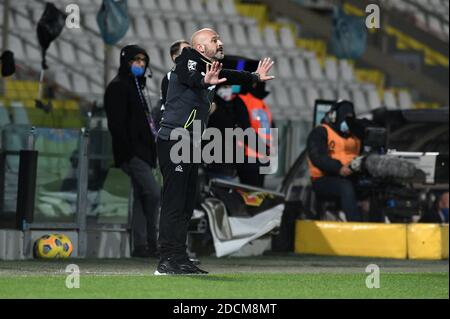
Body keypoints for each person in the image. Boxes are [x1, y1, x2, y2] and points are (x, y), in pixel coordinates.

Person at [155, 28, 275, 275]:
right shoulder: (188, 58)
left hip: (190, 143)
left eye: (219, 39)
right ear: (200, 47)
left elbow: (230, 75)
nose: (220, 43)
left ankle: (179, 257)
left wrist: (254, 76)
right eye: (214, 40)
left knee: (187, 204)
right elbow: (189, 75)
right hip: (175, 139)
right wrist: (203, 82)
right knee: (174, 203)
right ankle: (166, 260)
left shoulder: (210, 67)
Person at [104, 44, 160, 258]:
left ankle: (141, 246)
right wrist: (129, 153)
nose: (140, 64)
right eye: (135, 60)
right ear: (126, 62)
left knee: (141, 197)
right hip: (134, 154)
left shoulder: (137, 86)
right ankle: (152, 242)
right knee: (153, 193)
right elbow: (116, 125)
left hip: (144, 153)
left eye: (143, 60)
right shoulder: (118, 87)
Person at [307, 100, 363, 222]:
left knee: (374, 187)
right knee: (345, 187)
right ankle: (356, 225)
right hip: (323, 179)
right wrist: (339, 168)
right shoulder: (321, 132)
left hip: (350, 176)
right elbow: (318, 157)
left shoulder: (356, 137)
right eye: (345, 118)